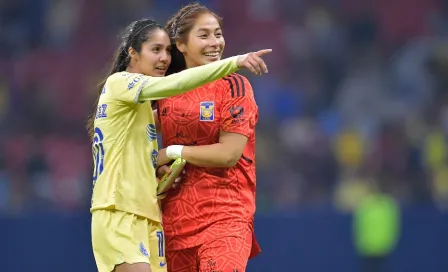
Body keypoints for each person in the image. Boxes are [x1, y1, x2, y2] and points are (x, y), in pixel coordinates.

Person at [87, 18, 271, 272]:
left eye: (166, 51)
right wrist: (234, 62)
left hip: (150, 217)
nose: (164, 58)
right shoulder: (119, 83)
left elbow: (137, 159)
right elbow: (174, 84)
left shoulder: (141, 109)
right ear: (132, 52)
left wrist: (158, 174)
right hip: (119, 212)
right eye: (155, 50)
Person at [155, 3, 264, 271]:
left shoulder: (234, 86)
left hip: (225, 218)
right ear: (180, 44)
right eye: (204, 35)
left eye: (218, 34)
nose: (215, 43)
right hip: (174, 226)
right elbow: (139, 147)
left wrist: (172, 152)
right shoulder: (163, 91)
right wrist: (155, 166)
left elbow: (228, 155)